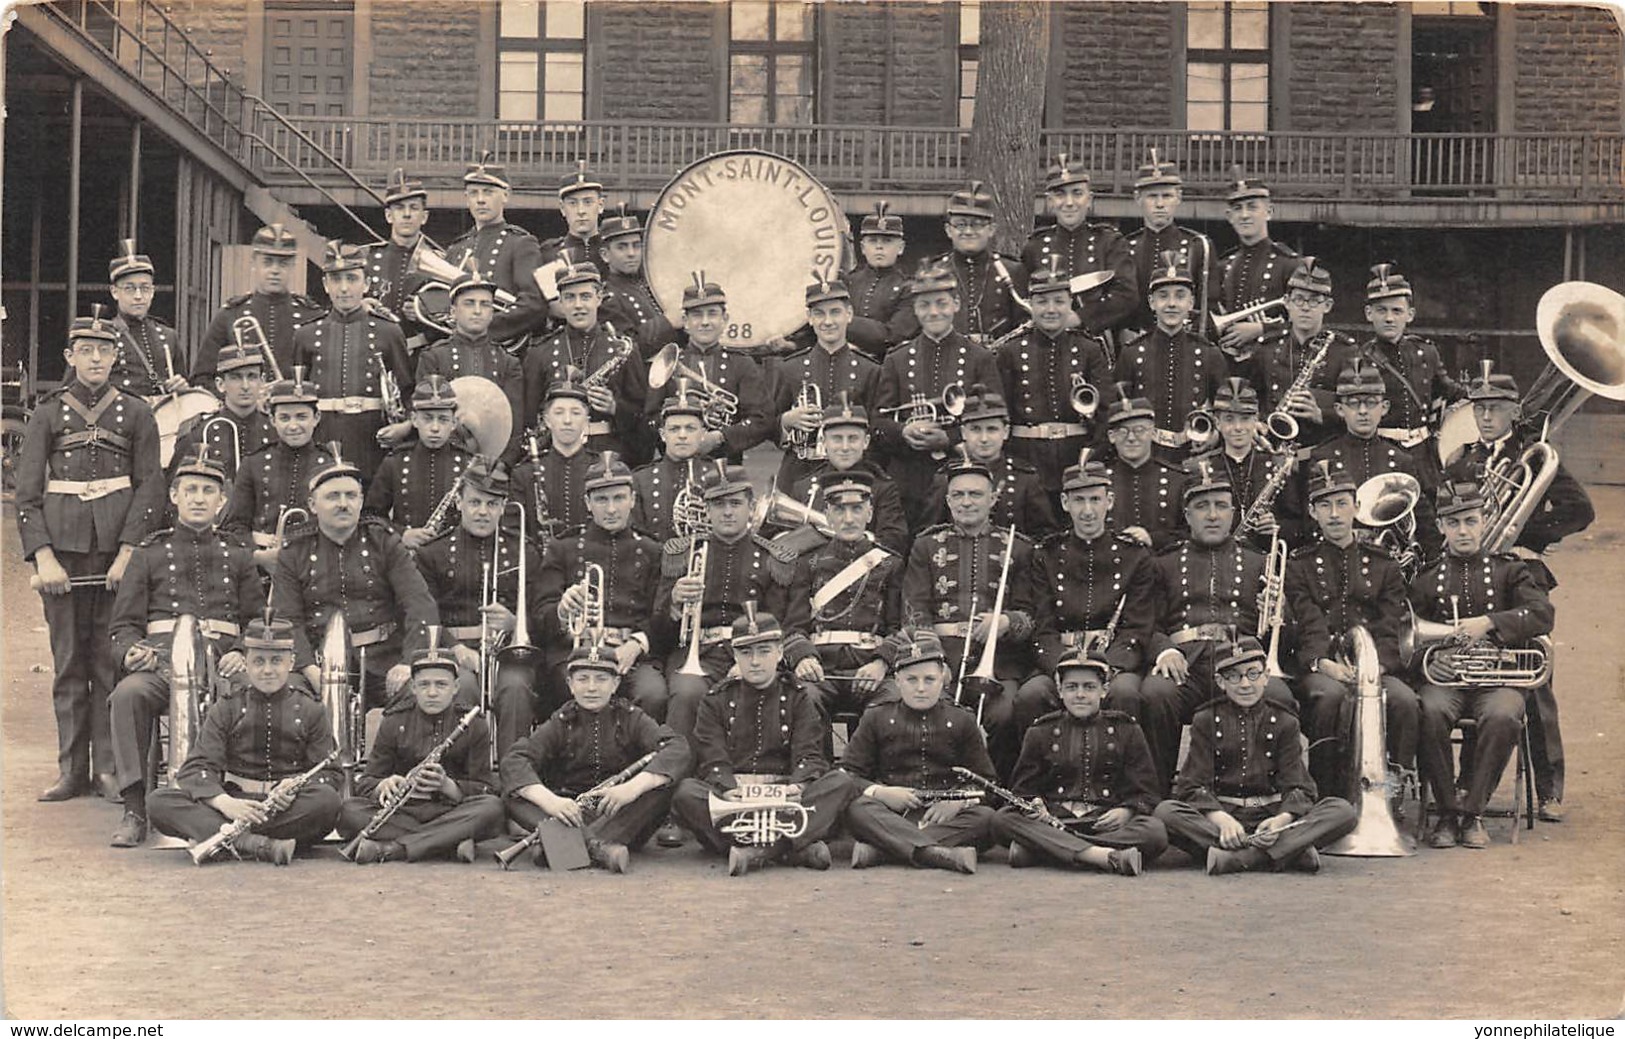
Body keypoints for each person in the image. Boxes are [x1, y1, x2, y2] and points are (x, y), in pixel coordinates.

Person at [16, 308, 165, 802]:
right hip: (63, 555)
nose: (96, 357)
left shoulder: (139, 413)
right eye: (86, 350)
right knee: (68, 665)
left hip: (115, 556)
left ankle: (108, 769)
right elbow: (27, 494)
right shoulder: (47, 413)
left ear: (115, 355)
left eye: (104, 350)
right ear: (70, 356)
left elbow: (150, 488)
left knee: (109, 663)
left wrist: (128, 554)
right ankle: (70, 770)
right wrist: (43, 557)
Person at [1443, 361, 1593, 821]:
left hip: (1519, 571)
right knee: (1474, 666)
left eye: (1497, 408)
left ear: (1513, 411)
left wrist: (1526, 532)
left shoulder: (1535, 452)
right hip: (1471, 574)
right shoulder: (1461, 459)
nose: (1487, 417)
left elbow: (1580, 510)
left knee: (1536, 677)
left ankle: (1548, 790)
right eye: (1480, 408)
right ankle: (1470, 780)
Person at [106, 446, 262, 847]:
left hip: (223, 666)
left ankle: (247, 802)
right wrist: (129, 652)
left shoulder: (240, 556)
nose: (198, 498)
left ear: (222, 501)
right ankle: (134, 808)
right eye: (189, 489)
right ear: (174, 496)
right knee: (128, 694)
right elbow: (122, 626)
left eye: (208, 491)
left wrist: (242, 650)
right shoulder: (148, 554)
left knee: (262, 692)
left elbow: (258, 620)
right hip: (162, 666)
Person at [1124, 457, 1294, 790]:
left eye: (1220, 506)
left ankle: (1270, 792)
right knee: (1156, 693)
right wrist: (1164, 651)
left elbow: (1282, 637)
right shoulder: (1163, 563)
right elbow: (1146, 622)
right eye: (1202, 507)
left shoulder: (1261, 561)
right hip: (1184, 663)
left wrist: (1280, 614)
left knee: (1277, 694)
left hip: (1241, 661)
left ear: (1233, 513)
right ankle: (1156, 795)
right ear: (1187, 516)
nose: (1213, 515)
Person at [1414, 481, 1555, 850]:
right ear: (1442, 527)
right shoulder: (1427, 577)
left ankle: (1473, 812)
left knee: (1505, 714)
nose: (1463, 531)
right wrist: (1433, 659)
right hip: (1447, 683)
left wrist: (1491, 622)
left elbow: (1542, 613)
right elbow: (1404, 638)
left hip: (1496, 681)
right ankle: (1447, 811)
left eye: (1471, 521)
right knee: (1427, 710)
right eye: (1454, 523)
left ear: (1484, 521)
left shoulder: (1510, 571)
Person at [668, 609, 857, 876]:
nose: (755, 661)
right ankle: (793, 848)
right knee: (686, 793)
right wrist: (727, 788)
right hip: (735, 797)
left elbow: (810, 754)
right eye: (745, 653)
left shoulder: (799, 696)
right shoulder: (716, 699)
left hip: (784, 794)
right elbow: (712, 757)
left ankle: (758, 852)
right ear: (735, 656)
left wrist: (798, 785)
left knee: (841, 783)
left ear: (780, 653)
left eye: (764, 651)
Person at [145, 616, 343, 865]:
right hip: (233, 804)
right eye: (258, 661)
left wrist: (295, 787)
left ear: (291, 662)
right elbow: (197, 768)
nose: (267, 670)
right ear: (246, 664)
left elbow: (331, 774)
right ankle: (259, 845)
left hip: (285, 809)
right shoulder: (226, 708)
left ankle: (226, 838)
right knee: (158, 802)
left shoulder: (311, 710)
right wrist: (224, 803)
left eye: (276, 661)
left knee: (328, 803)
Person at [1153, 637, 1357, 874]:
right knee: (1165, 812)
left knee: (1342, 811)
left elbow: (1299, 787)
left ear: (1266, 676)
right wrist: (1222, 820)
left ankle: (1240, 858)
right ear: (1220, 681)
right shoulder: (1205, 720)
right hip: (1224, 815)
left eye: (1253, 674)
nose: (1245, 684)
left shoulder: (1285, 721)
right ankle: (1289, 852)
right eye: (1234, 676)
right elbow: (1192, 786)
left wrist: (1281, 820)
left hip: (1272, 815)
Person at [1285, 460, 1419, 802]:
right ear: (1312, 512)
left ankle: (1390, 793)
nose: (1334, 513)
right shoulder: (1299, 565)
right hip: (1324, 668)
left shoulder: (1383, 563)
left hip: (1373, 667)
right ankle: (1328, 796)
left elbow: (1391, 623)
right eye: (1325, 505)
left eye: (1342, 503)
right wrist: (1322, 664)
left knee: (1404, 700)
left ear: (1356, 508)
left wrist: (1374, 668)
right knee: (1328, 698)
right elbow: (1307, 621)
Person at [500, 640, 692, 874]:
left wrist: (632, 788)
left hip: (621, 814)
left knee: (666, 786)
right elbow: (515, 760)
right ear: (570, 684)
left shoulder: (631, 717)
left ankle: (556, 846)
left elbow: (677, 747)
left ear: (616, 684)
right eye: (583, 679)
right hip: (570, 811)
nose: (591, 688)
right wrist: (552, 802)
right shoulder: (561, 720)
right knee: (513, 795)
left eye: (601, 679)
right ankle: (596, 848)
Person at [902, 452, 1036, 775]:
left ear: (993, 499)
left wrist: (1005, 622)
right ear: (947, 501)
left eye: (975, 494)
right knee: (936, 710)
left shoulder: (1019, 547)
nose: (966, 502)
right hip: (942, 657)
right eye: (958, 495)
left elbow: (1033, 615)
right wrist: (934, 661)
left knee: (1005, 713)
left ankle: (995, 790)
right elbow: (913, 610)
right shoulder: (926, 546)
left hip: (1000, 662)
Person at [272, 449, 438, 704]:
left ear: (361, 501)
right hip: (318, 660)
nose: (343, 503)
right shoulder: (294, 552)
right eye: (332, 496)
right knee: (292, 700)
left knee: (416, 697)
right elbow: (288, 618)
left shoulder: (384, 542)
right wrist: (308, 669)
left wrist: (410, 662)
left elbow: (418, 603)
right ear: (312, 505)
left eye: (351, 495)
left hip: (384, 660)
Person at [410, 457, 545, 756]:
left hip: (508, 651)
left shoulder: (525, 550)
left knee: (516, 688)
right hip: (452, 651)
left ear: (503, 506)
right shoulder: (433, 553)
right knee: (464, 687)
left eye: (492, 504)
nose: (482, 512)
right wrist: (454, 648)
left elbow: (541, 610)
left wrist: (514, 623)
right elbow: (424, 613)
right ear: (459, 502)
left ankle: (514, 771)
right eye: (474, 502)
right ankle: (465, 772)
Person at [655, 463, 794, 747]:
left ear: (751, 506)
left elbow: (779, 622)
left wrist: (750, 660)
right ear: (706, 509)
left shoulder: (771, 558)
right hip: (697, 655)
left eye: (735, 503)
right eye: (718, 504)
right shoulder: (683, 553)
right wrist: (674, 603)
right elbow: (658, 632)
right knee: (687, 692)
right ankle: (677, 774)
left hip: (752, 652)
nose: (727, 512)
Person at [838, 630, 998, 874]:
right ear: (897, 681)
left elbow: (988, 783)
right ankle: (937, 854)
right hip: (892, 813)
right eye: (912, 680)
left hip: (943, 818)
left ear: (943, 679)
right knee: (857, 810)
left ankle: (883, 850)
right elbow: (848, 776)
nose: (920, 688)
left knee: (987, 818)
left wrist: (957, 803)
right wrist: (882, 793)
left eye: (929, 680)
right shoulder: (876, 717)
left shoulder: (962, 719)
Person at [994, 650, 1168, 875]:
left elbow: (1146, 793)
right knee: (1002, 820)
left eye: (1089, 687)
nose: (1080, 695)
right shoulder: (1041, 731)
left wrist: (1126, 811)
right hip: (1055, 818)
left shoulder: (1127, 730)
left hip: (1105, 822)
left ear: (1104, 690)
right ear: (1059, 691)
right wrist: (1037, 806)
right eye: (1071, 687)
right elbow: (1023, 790)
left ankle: (1046, 849)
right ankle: (1100, 856)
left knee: (1155, 831)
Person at [1019, 450, 1156, 726]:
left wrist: (1105, 668)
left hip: (1115, 662)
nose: (1088, 510)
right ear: (1064, 503)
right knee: (1030, 695)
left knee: (1124, 693)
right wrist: (1064, 668)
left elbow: (1137, 627)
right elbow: (1042, 627)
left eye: (1095, 499)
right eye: (1079, 500)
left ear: (1110, 501)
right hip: (1059, 660)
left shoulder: (1135, 555)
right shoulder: (1045, 555)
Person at [338, 640, 506, 864]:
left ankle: (393, 849)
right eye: (424, 685)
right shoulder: (393, 720)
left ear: (455, 687)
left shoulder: (474, 724)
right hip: (405, 812)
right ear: (413, 688)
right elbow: (366, 782)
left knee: (492, 810)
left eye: (441, 684)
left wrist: (448, 786)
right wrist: (384, 785)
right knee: (348, 812)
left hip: (450, 810)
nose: (433, 693)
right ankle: (448, 841)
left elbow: (485, 787)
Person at [535, 451, 667, 721]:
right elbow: (539, 615)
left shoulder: (652, 550)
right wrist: (561, 611)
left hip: (630, 654)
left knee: (653, 693)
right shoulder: (563, 548)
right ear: (587, 502)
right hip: (575, 652)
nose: (610, 509)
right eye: (601, 499)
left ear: (632, 499)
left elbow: (661, 615)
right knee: (563, 687)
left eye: (619, 498)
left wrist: (636, 644)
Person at [874, 261, 1002, 531]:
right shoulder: (896, 359)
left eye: (941, 303)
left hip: (961, 472)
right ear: (915, 310)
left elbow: (995, 417)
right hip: (908, 477)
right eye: (924, 305)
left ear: (956, 304)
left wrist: (949, 438)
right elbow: (879, 420)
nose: (934, 312)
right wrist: (904, 431)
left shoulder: (980, 357)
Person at [781, 468, 905, 720]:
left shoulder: (890, 564)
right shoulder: (807, 563)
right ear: (827, 514)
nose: (848, 518)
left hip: (871, 667)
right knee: (804, 698)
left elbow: (900, 627)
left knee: (893, 701)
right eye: (839, 510)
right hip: (821, 670)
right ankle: (814, 761)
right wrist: (803, 658)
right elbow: (794, 625)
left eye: (857, 509)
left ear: (870, 513)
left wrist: (881, 664)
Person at [1324, 264, 1465, 482]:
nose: (1389, 318)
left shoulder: (1426, 352)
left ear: (1410, 315)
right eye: (1382, 310)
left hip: (1424, 456)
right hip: (1381, 454)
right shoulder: (1358, 360)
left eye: (1396, 311)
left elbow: (1448, 389)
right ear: (1369, 314)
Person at [291, 240, 413, 480]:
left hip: (372, 440)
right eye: (336, 279)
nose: (344, 288)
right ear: (325, 284)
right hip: (320, 437)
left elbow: (407, 390)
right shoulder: (305, 334)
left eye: (352, 279)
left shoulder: (388, 332)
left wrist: (405, 427)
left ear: (366, 283)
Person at [995, 261, 1114, 501]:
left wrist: (1091, 455)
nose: (1051, 309)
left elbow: (1105, 412)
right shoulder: (1010, 352)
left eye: (1059, 301)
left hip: (1076, 456)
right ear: (1030, 304)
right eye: (1042, 302)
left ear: (1071, 304)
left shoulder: (1089, 350)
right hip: (1025, 458)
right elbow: (1002, 412)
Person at [1307, 359, 1437, 561]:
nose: (1362, 412)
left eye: (1370, 403)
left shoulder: (1402, 459)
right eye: (1353, 404)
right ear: (1340, 410)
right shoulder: (1323, 457)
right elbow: (1311, 520)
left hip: (1390, 566)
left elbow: (1425, 522)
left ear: (1384, 407)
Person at [520, 260, 648, 463]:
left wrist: (615, 407)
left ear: (599, 298)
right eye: (570, 298)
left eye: (585, 296)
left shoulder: (622, 348)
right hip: (554, 455)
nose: (578, 305)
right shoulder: (539, 353)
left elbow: (644, 414)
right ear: (560, 302)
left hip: (608, 456)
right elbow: (528, 416)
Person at [768, 274, 887, 491]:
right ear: (809, 318)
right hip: (799, 471)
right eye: (819, 314)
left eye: (835, 312)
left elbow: (879, 430)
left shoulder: (870, 370)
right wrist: (786, 421)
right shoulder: (789, 368)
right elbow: (769, 424)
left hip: (854, 472)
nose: (828, 321)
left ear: (849, 314)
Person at [640, 273, 773, 463]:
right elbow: (650, 418)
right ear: (685, 321)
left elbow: (762, 420)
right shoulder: (668, 362)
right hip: (673, 464)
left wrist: (720, 437)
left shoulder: (742, 364)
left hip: (726, 465)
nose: (704, 322)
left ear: (724, 319)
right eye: (696, 315)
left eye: (712, 313)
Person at [219, 368, 334, 572]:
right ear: (272, 420)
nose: (293, 426)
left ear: (316, 417)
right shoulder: (253, 464)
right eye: (284, 418)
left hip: (318, 569)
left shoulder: (331, 465)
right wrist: (258, 556)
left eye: (301, 417)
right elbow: (234, 527)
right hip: (263, 570)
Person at [1114, 252, 1226, 460]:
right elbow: (1118, 410)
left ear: (1191, 302)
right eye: (1163, 296)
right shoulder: (1131, 353)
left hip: (1194, 455)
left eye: (1180, 295)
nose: (1171, 304)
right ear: (1151, 302)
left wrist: (1216, 435)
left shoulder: (1209, 353)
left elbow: (1224, 408)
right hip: (1146, 456)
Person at [408, 261, 524, 457]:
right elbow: (426, 417)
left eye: (485, 304)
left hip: (492, 462)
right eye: (469, 303)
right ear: (453, 311)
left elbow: (515, 424)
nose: (477, 310)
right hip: (444, 457)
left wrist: (502, 467)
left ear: (492, 312)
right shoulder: (433, 357)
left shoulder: (508, 362)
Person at [1019, 155, 1139, 339]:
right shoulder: (1034, 247)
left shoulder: (1109, 243)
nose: (1069, 202)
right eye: (1060, 195)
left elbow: (1127, 296)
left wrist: (1080, 317)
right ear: (1050, 202)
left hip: (1098, 343)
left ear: (1089, 199)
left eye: (1077, 193)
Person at [920, 386, 1060, 538]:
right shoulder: (946, 478)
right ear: (963, 432)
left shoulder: (1025, 479)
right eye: (976, 429)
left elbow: (1044, 537)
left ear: (1005, 432)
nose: (984, 438)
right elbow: (928, 537)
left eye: (992, 429)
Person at [193, 224, 323, 383]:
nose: (275, 270)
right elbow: (202, 378)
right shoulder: (229, 316)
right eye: (267, 262)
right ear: (254, 262)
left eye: (283, 263)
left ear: (293, 265)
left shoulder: (311, 316)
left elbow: (322, 380)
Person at [441, 153, 548, 343]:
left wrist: (480, 328)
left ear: (505, 195)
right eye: (474, 193)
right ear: (467, 198)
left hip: (502, 350)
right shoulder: (457, 248)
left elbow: (533, 305)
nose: (480, 200)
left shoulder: (521, 243)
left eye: (488, 192)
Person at [1234, 257, 1341, 445]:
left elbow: (1356, 409)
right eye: (1299, 299)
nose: (1306, 307)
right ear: (1287, 302)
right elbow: (1247, 398)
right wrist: (1254, 424)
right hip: (1270, 448)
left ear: (1328, 306)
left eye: (1315, 301)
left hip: (1322, 451)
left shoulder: (1344, 351)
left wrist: (1322, 413)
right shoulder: (1266, 348)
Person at [783, 396, 908, 557]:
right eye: (837, 439)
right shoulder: (804, 486)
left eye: (853, 439)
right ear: (824, 442)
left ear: (866, 442)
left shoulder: (883, 488)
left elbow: (894, 542)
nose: (845, 447)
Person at [363, 375, 473, 549]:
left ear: (454, 422)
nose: (435, 427)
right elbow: (370, 517)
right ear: (414, 420)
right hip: (407, 559)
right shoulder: (395, 462)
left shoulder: (469, 463)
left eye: (443, 419)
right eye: (427, 418)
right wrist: (401, 534)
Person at [1191, 376, 1300, 549]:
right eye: (1229, 419)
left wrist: (1277, 527)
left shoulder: (1278, 465)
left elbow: (1301, 525)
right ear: (1217, 423)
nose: (1238, 427)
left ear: (1256, 420)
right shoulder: (1201, 468)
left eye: (1245, 419)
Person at [1124, 150, 1214, 342]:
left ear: (1178, 197)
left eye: (1166, 196)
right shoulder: (1126, 249)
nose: (1159, 204)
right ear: (1138, 198)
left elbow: (1208, 306)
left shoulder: (1198, 246)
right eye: (1151, 196)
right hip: (1136, 347)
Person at [927, 181, 1027, 344]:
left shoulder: (1011, 271)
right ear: (948, 230)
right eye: (960, 225)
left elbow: (1023, 327)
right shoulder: (934, 272)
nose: (968, 231)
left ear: (991, 229)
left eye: (977, 225)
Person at [1214, 170, 1298, 363]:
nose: (1244, 215)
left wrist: (1261, 330)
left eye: (1252, 207)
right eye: (1237, 208)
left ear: (1269, 212)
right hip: (1230, 365)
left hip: (1276, 364)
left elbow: (1307, 322)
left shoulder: (1289, 264)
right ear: (1229, 216)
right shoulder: (1223, 266)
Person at [169, 338, 275, 487]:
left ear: (262, 381)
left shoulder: (275, 430)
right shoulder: (200, 431)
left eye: (252, 376)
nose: (245, 386)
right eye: (236, 378)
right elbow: (176, 488)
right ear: (220, 384)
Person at [511, 372, 601, 539]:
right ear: (547, 420)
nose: (567, 420)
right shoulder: (524, 474)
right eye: (559, 412)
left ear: (587, 420)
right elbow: (515, 536)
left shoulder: (600, 468)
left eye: (575, 413)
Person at [1101, 387, 1187, 551]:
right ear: (1111, 436)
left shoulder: (1177, 480)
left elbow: (1190, 533)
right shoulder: (1100, 482)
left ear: (1153, 433)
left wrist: (1153, 539)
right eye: (1123, 431)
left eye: (1139, 430)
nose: (1131, 438)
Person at [106, 239, 188, 400]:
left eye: (144, 288)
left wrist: (182, 387)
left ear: (152, 292)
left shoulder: (168, 336)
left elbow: (184, 392)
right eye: (129, 288)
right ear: (114, 292)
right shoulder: (103, 336)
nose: (138, 296)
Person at [630, 384, 709, 543]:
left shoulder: (717, 475)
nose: (682, 435)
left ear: (703, 434)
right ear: (662, 435)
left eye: (690, 428)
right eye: (674, 429)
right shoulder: (640, 480)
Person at [596, 204, 675, 358]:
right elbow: (627, 346)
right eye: (622, 247)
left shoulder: (651, 285)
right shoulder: (606, 298)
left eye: (636, 246)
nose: (631, 253)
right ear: (605, 255)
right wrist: (668, 322)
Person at [843, 201, 919, 360]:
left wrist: (842, 320)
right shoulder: (847, 283)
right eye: (873, 241)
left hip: (887, 367)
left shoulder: (910, 289)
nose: (879, 247)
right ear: (863, 248)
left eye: (887, 241)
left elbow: (892, 336)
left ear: (901, 248)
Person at [364, 168, 432, 323]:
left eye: (414, 208)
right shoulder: (366, 259)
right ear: (389, 216)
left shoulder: (440, 264)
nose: (407, 214)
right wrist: (360, 307)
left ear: (424, 217)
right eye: (400, 208)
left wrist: (427, 312)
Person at [540, 162, 608, 277]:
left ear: (600, 205)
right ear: (562, 208)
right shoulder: (548, 254)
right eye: (572, 203)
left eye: (588, 202)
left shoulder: (614, 252)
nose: (581, 211)